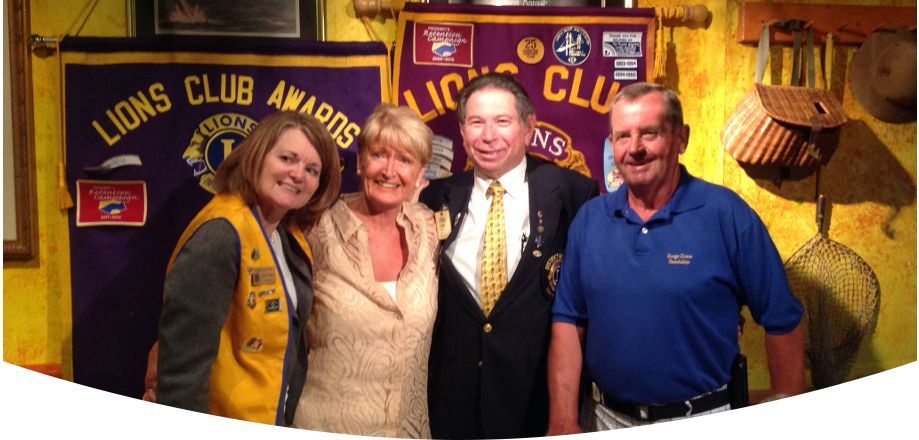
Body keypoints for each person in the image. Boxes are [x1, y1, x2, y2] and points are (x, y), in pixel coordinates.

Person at [547, 83, 805, 433]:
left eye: (649, 133)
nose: (634, 148)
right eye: (623, 137)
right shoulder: (590, 220)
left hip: (702, 418)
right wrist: (562, 419)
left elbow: (782, 320)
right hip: (604, 419)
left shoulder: (727, 215)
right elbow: (568, 322)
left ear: (681, 139)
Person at [418, 72, 599, 439]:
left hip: (537, 402)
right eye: (476, 122)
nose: (488, 136)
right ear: (462, 130)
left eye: (502, 121)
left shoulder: (573, 194)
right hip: (453, 404)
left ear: (528, 127)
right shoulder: (433, 197)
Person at [154, 111, 341, 425]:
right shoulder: (221, 235)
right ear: (258, 155)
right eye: (287, 158)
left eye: (311, 170)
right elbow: (181, 375)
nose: (298, 174)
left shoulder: (287, 236)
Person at [291, 104, 439, 438]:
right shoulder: (314, 227)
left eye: (404, 160)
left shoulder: (429, 231)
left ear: (421, 173)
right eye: (379, 154)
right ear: (359, 162)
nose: (389, 170)